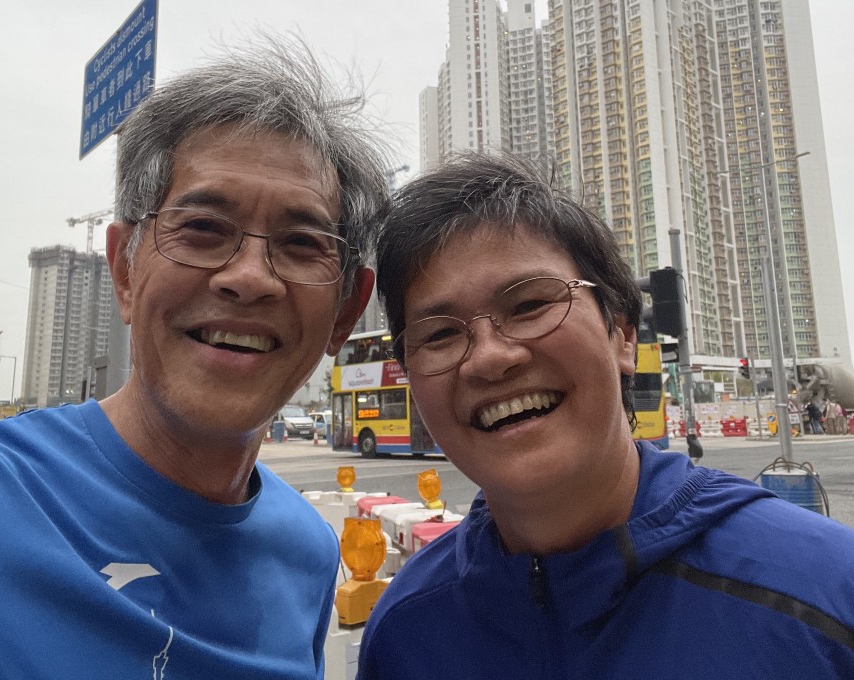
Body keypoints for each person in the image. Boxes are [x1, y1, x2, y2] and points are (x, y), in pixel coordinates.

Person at [0, 39, 390, 679]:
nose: (249, 277)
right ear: (124, 271)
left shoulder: (310, 554)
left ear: (345, 312)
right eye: (203, 229)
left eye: (301, 243)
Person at [358, 152, 854, 678]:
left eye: (529, 306)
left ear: (622, 336)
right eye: (439, 334)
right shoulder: (403, 632)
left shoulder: (824, 599)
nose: (489, 358)